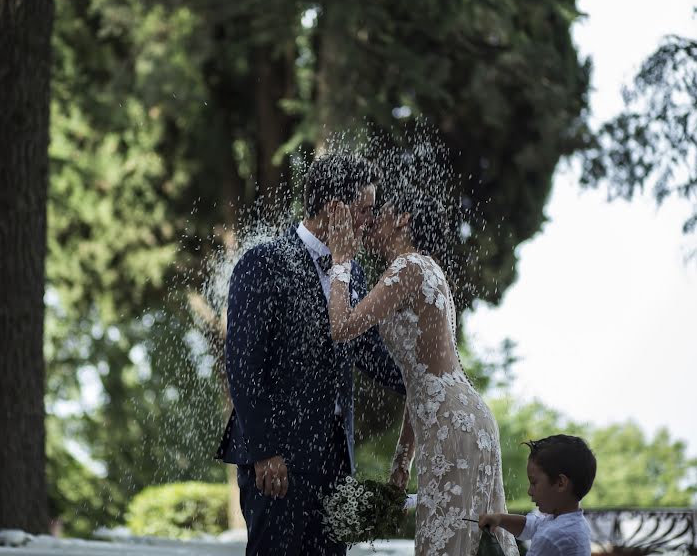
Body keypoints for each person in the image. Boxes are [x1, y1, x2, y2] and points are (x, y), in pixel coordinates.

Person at [215, 154, 406, 556]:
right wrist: (266, 450)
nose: (370, 222)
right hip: (278, 460)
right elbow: (243, 364)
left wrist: (433, 381)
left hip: (336, 461)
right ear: (335, 209)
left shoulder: (352, 274)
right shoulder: (263, 262)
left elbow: (369, 353)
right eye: (365, 211)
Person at [327, 195, 519, 555]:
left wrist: (341, 260)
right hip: (460, 418)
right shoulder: (428, 269)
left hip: (451, 425)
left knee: (447, 544)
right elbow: (422, 382)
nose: (368, 224)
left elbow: (342, 327)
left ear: (403, 219)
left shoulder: (408, 268)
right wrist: (402, 460)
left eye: (378, 215)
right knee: (471, 544)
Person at [479, 434, 597, 556]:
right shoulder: (574, 523)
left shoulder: (551, 537)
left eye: (534, 483)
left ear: (561, 483)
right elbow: (532, 525)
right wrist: (500, 519)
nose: (529, 491)